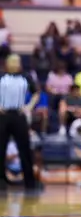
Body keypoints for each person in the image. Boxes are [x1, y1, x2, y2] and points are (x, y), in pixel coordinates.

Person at [0, 54, 40, 190]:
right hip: (3, 115)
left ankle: (30, 181)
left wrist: (29, 106)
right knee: (0, 148)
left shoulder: (26, 76)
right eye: (13, 61)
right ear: (7, 63)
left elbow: (36, 93)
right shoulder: (1, 76)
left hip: (19, 114)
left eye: (17, 61)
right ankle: (1, 180)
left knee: (25, 148)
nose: (16, 64)